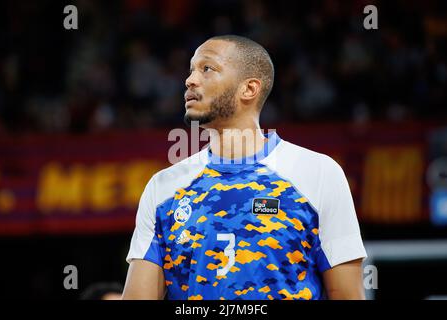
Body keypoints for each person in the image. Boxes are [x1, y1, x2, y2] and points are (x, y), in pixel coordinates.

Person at [122, 35, 367, 300]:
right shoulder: (164, 187)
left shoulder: (318, 173)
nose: (190, 80)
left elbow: (347, 295)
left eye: (207, 68)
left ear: (249, 89)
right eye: (191, 69)